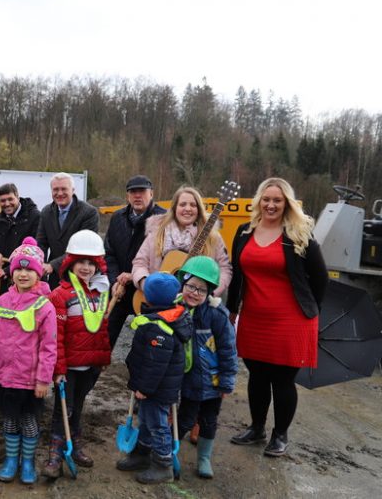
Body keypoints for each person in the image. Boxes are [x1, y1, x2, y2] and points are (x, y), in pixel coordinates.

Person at [227, 178, 327, 457]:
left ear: (287, 204)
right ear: (259, 201)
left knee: (282, 380)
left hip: (291, 321)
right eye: (266, 199)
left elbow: (320, 279)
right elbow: (236, 275)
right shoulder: (244, 232)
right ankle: (257, 428)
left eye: (277, 200)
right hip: (253, 317)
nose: (271, 205)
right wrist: (232, 309)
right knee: (257, 376)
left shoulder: (298, 234)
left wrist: (311, 311)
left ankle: (280, 435)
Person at [0, 237, 57, 485]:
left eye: (29, 270)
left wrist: (43, 380)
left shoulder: (45, 307)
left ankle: (27, 462)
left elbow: (48, 347)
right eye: (19, 269)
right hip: (5, 377)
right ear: (11, 272)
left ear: (38, 274)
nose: (23, 274)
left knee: (29, 421)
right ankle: (11, 459)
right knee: (9, 420)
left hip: (30, 380)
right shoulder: (1, 302)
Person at [42, 230, 111, 479]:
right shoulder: (59, 295)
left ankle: (74, 444)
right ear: (70, 263)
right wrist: (58, 370)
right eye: (81, 261)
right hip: (68, 367)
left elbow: (101, 329)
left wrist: (102, 359)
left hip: (90, 365)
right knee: (63, 409)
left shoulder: (101, 292)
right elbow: (55, 336)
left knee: (78, 406)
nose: (86, 267)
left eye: (91, 263)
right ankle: (55, 453)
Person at [118, 272, 192, 484]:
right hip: (156, 386)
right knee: (146, 420)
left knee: (157, 424)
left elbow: (155, 364)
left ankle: (163, 464)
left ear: (148, 297)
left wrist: (144, 388)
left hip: (157, 389)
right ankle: (142, 453)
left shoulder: (159, 327)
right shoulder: (162, 317)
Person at [174, 256, 237, 479]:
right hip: (189, 379)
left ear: (210, 292)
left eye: (202, 290)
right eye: (191, 286)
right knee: (184, 418)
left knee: (209, 421)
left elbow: (228, 350)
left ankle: (204, 458)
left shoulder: (216, 315)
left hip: (212, 380)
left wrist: (226, 381)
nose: (195, 293)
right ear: (183, 283)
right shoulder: (175, 309)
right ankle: (170, 453)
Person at [132, 186, 232, 300]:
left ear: (199, 209)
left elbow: (225, 269)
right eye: (182, 204)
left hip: (196, 302)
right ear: (175, 208)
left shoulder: (212, 237)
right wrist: (147, 285)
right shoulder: (157, 233)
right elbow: (139, 263)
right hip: (158, 300)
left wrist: (209, 293)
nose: (188, 209)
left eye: (193, 205)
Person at [104, 175, 166, 349]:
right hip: (120, 289)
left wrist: (137, 276)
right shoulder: (117, 218)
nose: (137, 196)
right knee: (104, 339)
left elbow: (167, 258)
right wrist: (114, 281)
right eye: (133, 192)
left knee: (149, 344)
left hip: (148, 291)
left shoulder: (164, 219)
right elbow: (109, 253)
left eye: (142, 191)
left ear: (151, 194)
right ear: (127, 196)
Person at [36, 172, 99, 290]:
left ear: (73, 190)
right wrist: (38, 266)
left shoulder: (89, 213)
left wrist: (52, 265)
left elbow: (82, 248)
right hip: (54, 278)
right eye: (55, 189)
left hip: (79, 277)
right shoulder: (46, 212)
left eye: (64, 189)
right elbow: (41, 243)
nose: (60, 193)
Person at [0, 183, 41, 295]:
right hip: (4, 281)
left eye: (10, 199)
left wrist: (8, 270)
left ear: (17, 196)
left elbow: (36, 251)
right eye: (2, 200)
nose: (7, 204)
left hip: (28, 279)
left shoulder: (35, 217)